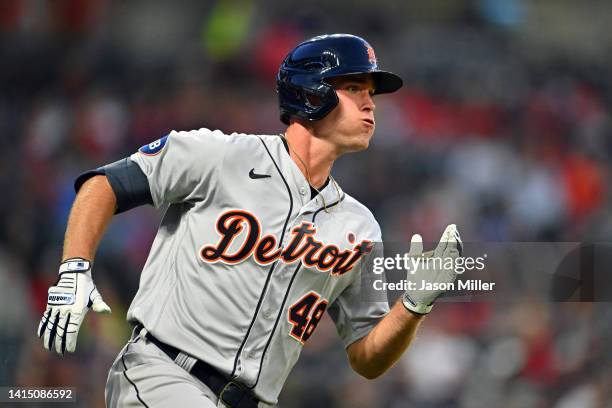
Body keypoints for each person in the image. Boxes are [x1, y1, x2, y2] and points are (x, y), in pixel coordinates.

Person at [37, 34, 462, 407]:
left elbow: (366, 358)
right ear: (312, 93)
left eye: (371, 92)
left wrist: (412, 306)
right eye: (355, 87)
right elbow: (104, 185)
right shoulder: (220, 156)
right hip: (164, 374)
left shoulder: (361, 226)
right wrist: (75, 267)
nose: (371, 103)